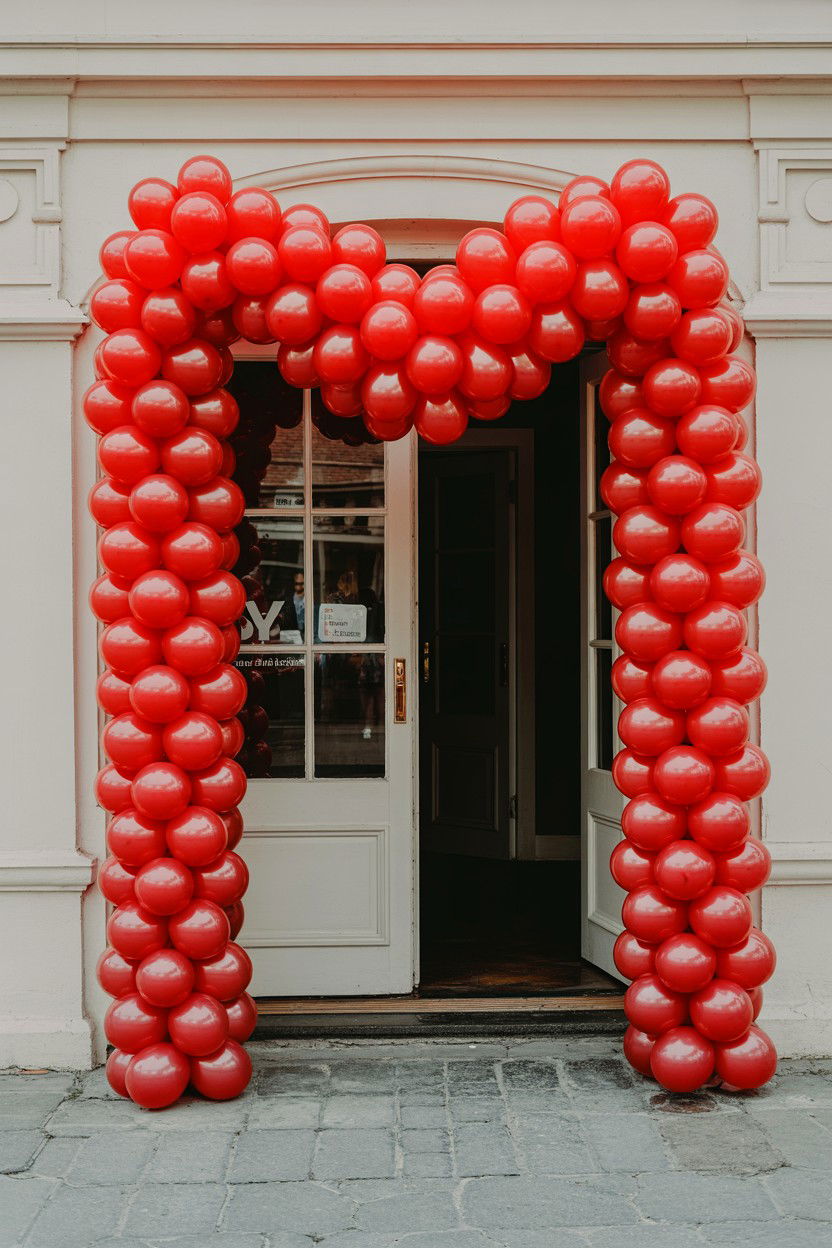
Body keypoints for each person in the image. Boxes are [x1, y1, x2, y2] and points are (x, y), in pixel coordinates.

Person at [277, 569, 305, 640]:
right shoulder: (286, 601)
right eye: (297, 583)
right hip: (291, 638)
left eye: (301, 583)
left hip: (308, 639)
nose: (299, 585)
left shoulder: (311, 600)